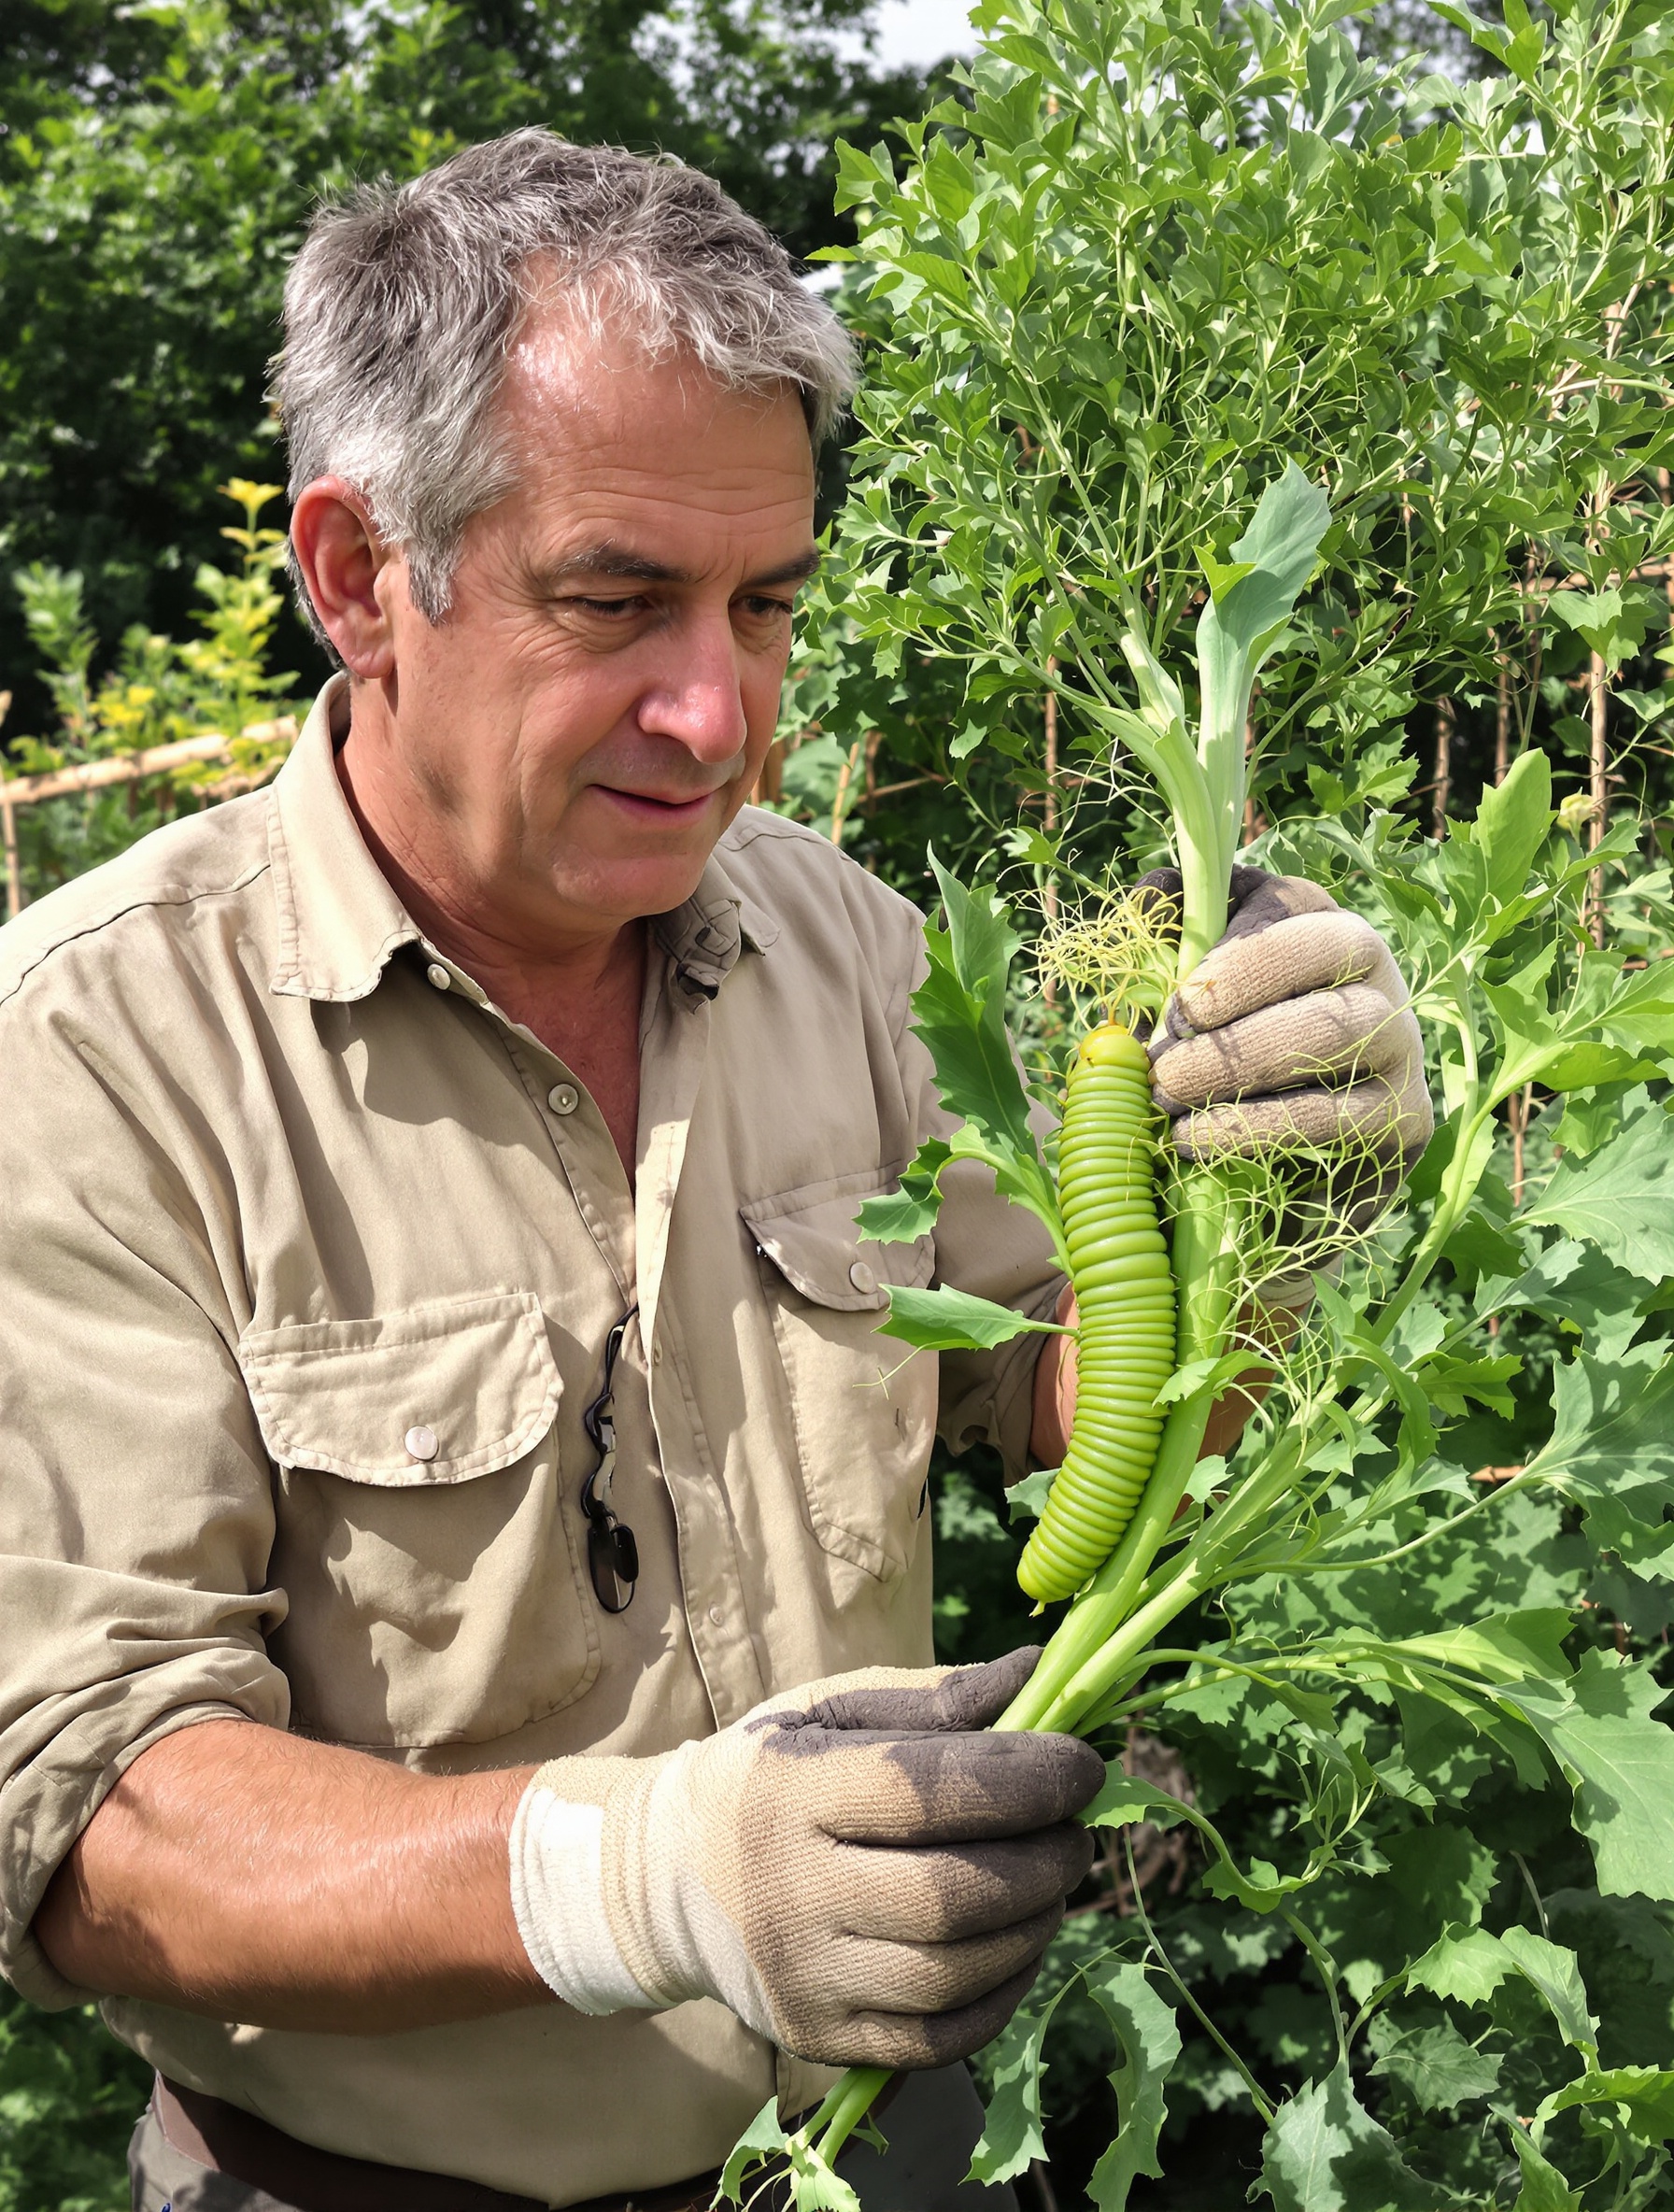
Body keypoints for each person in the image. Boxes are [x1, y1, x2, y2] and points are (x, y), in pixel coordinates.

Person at [0, 133, 1431, 2212]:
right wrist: (653, 1872)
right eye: (616, 600)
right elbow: (89, 1806)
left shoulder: (836, 944)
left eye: (764, 605)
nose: (718, 711)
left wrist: (1273, 1221)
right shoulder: (96, 1052)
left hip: (891, 2136)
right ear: (355, 574)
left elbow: (1069, 1405)